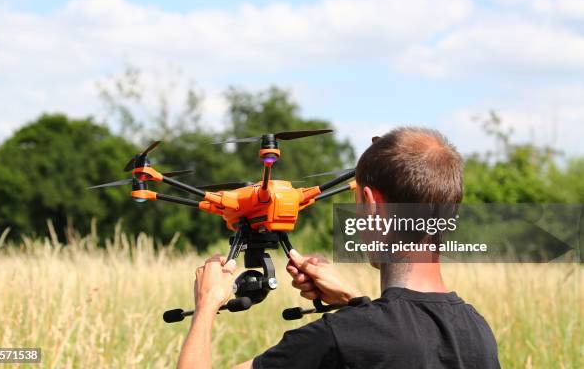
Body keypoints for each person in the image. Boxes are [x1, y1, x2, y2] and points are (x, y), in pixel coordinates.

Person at [177, 127, 500, 369]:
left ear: (372, 205)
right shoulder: (477, 331)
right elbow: (403, 337)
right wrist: (357, 302)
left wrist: (206, 306)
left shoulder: (338, 338)